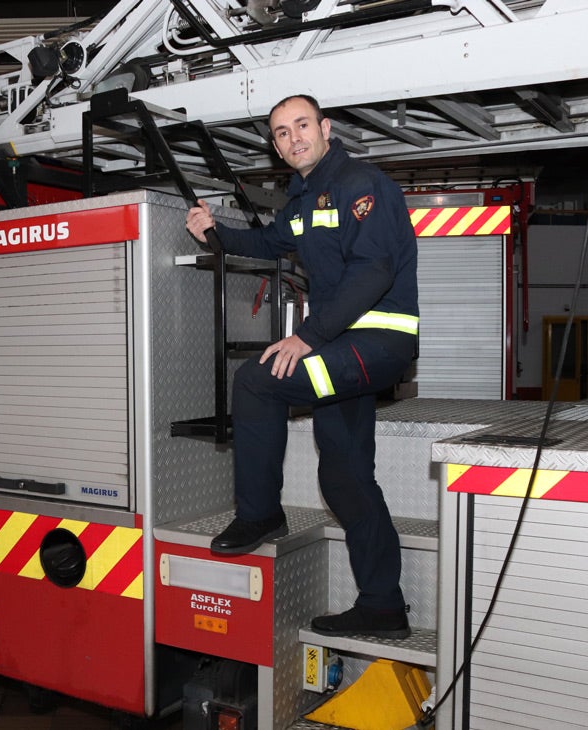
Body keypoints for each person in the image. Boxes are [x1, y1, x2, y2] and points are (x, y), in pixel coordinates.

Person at [185, 94, 418, 639]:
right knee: (344, 477)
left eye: (302, 125)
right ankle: (383, 604)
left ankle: (260, 512)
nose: (293, 138)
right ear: (276, 146)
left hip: (377, 341)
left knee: (259, 382)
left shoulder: (362, 184)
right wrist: (213, 233)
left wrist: (306, 337)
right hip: (344, 351)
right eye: (281, 133)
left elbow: (375, 272)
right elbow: (269, 240)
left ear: (326, 128)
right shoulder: (304, 198)